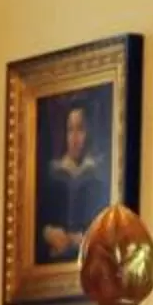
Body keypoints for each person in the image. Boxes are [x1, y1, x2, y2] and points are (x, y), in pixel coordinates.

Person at [37, 98, 112, 261]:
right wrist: (48, 233)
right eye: (70, 130)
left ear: (90, 132)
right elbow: (38, 224)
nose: (74, 138)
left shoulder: (98, 177)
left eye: (80, 129)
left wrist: (83, 239)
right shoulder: (53, 175)